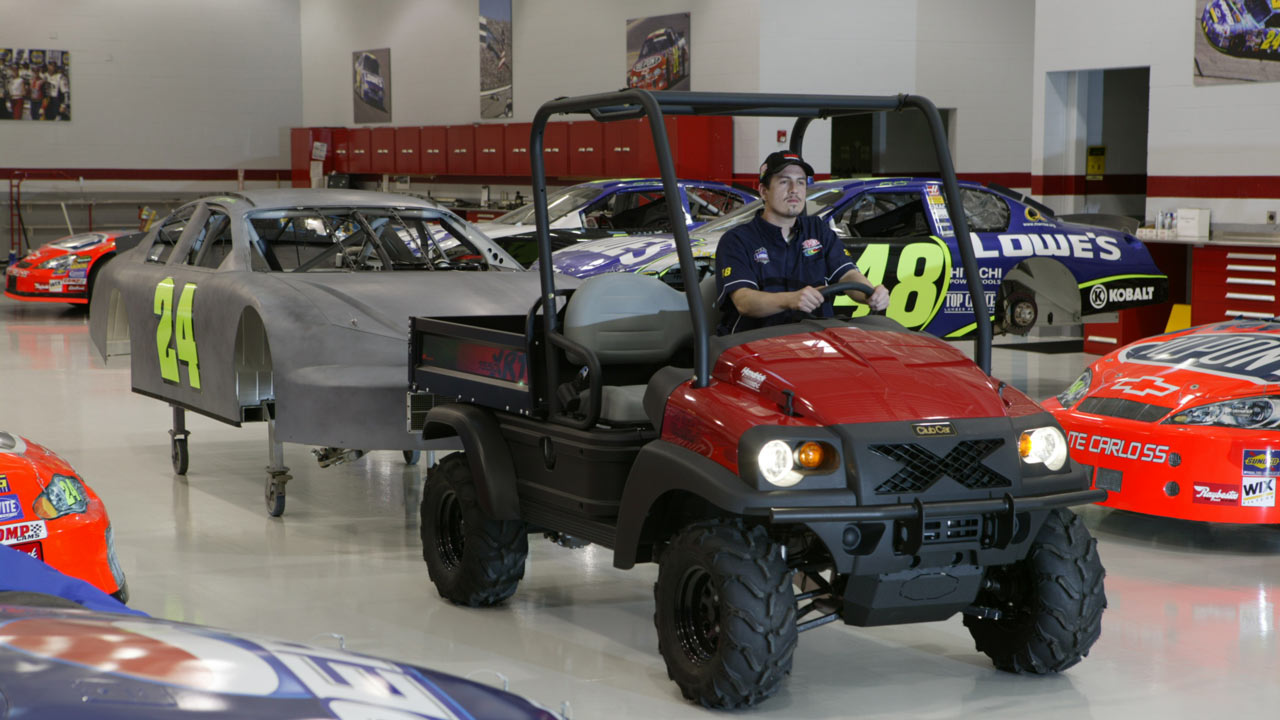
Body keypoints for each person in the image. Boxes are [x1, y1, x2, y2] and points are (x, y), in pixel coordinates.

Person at [714, 151, 889, 334]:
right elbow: (744, 301)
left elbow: (847, 274)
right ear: (764, 191)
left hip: (815, 340)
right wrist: (791, 300)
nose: (794, 190)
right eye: (784, 182)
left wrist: (871, 294)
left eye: (800, 182)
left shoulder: (818, 230)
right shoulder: (737, 240)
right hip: (756, 341)